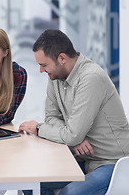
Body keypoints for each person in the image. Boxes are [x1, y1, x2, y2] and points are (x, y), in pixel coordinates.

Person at [19, 29, 129, 195]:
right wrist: (73, 138)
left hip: (112, 163)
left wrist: (39, 129)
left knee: (70, 193)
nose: (41, 71)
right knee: (30, 183)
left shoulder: (91, 78)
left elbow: (67, 133)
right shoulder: (55, 76)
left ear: (62, 58)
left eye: (43, 65)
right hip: (82, 159)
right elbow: (52, 118)